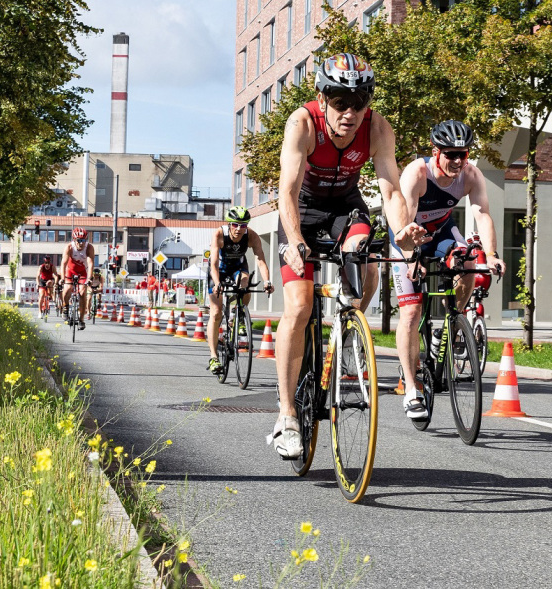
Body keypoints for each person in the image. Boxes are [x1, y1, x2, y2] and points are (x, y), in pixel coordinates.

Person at [273, 52, 426, 459]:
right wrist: (294, 241)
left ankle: (348, 324)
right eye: (340, 102)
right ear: (322, 99)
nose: (350, 112)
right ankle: (286, 415)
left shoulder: (377, 128)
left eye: (359, 102)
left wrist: (402, 231)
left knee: (367, 257)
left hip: (344, 206)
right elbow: (286, 190)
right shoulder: (301, 124)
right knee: (299, 306)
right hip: (301, 211)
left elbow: (390, 190)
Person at [392, 120, 505, 420]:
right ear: (436, 152)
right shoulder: (417, 173)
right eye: (450, 154)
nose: (457, 161)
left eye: (462, 154)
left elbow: (482, 215)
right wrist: (411, 257)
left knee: (469, 259)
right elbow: (405, 220)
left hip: (441, 232)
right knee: (411, 313)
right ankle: (411, 388)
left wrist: (492, 255)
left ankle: (454, 320)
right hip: (408, 236)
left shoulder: (470, 174)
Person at [207, 206, 274, 374]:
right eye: (236, 224)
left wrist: (267, 281)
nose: (239, 229)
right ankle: (214, 357)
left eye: (243, 225)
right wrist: (216, 283)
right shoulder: (219, 235)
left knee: (245, 282)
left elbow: (260, 260)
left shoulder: (251, 236)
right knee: (215, 313)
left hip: (238, 267)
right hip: (219, 270)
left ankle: (239, 315)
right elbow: (213, 263)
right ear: (229, 224)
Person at [60, 227, 95, 330]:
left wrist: (89, 278)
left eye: (83, 240)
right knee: (67, 289)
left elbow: (90, 263)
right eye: (79, 240)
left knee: (83, 292)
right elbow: (63, 263)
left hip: (82, 272)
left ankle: (81, 320)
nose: (81, 243)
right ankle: (65, 307)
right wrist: (62, 278)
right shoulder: (69, 247)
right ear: (74, 240)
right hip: (70, 271)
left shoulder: (89, 248)